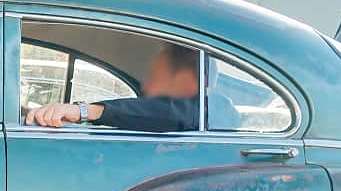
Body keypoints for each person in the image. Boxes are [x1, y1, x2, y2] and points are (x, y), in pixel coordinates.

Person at [23, 42, 235, 132]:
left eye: (156, 74)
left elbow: (168, 113)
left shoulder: (212, 112)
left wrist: (83, 111)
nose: (148, 82)